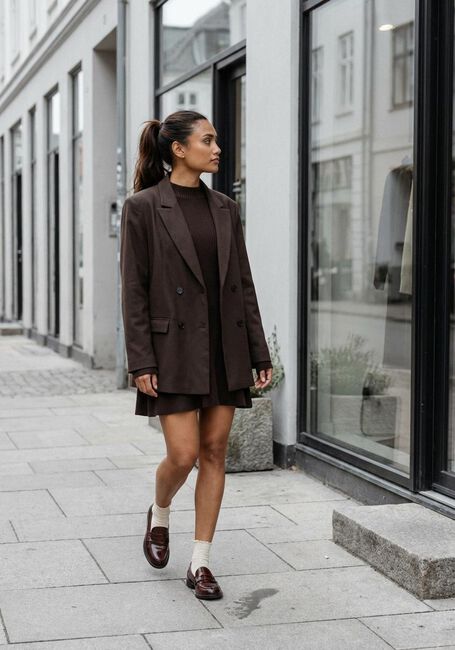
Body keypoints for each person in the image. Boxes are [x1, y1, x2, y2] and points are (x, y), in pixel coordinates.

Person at [120, 110, 273, 600]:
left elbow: (243, 284)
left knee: (213, 453)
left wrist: (258, 351)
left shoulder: (226, 208)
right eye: (208, 140)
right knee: (183, 455)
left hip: (225, 347)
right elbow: (133, 290)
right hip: (174, 349)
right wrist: (141, 360)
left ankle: (200, 562)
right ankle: (160, 512)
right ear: (179, 149)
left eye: (216, 140)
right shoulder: (143, 208)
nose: (217, 148)